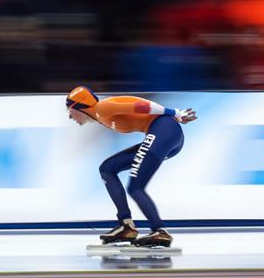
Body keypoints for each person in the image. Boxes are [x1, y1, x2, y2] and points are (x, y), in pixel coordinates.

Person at [66, 86, 197, 247]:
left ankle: (160, 231)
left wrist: (174, 112)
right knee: (108, 168)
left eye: (70, 110)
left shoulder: (103, 108)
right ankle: (126, 225)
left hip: (165, 131)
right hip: (165, 135)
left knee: (136, 187)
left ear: (79, 107)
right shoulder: (99, 116)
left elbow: (143, 106)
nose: (70, 116)